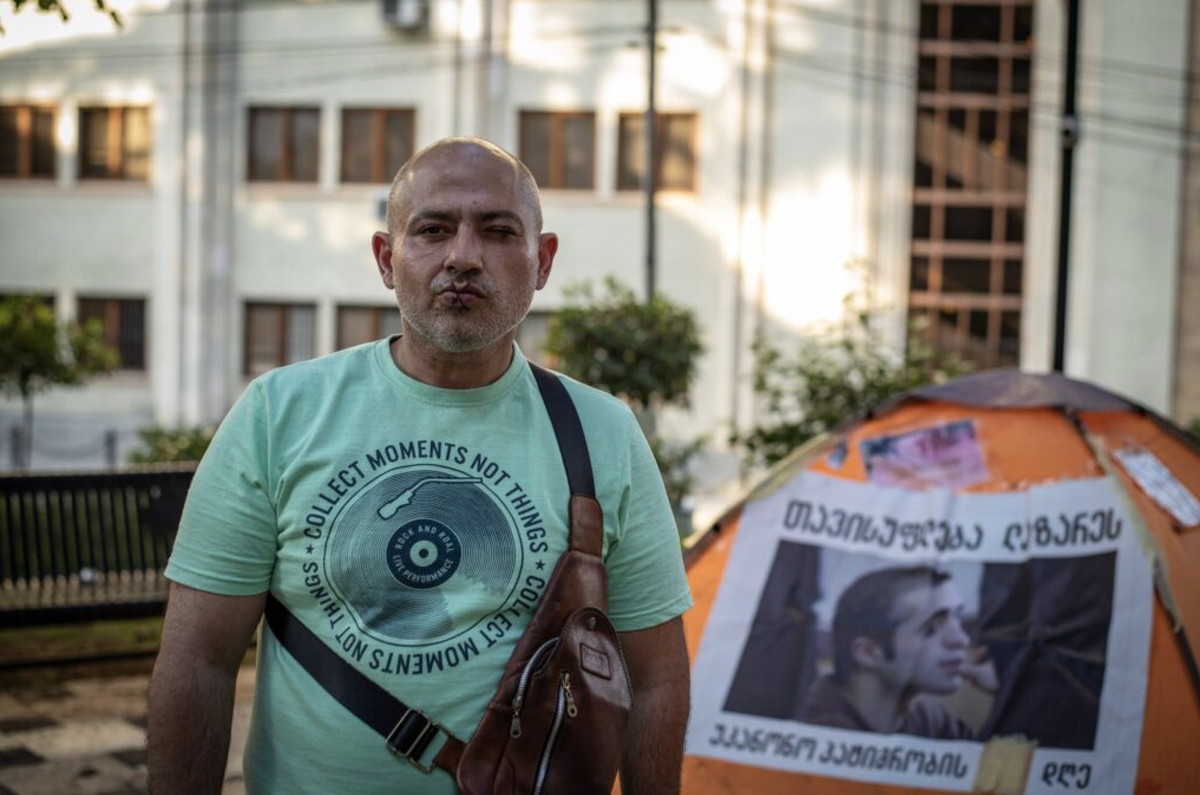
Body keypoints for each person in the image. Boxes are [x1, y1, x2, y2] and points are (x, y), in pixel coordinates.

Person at [146, 137, 693, 795]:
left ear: (542, 261)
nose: (462, 257)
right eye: (433, 230)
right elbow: (199, 657)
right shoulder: (278, 414)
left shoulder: (604, 433)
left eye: (497, 231)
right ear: (387, 258)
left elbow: (655, 676)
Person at [798, 565, 994, 739]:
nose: (961, 640)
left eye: (957, 618)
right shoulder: (816, 730)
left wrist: (1011, 691)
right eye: (932, 627)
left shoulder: (929, 718)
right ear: (868, 652)